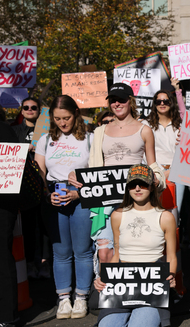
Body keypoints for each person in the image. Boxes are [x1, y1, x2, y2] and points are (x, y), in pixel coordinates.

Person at [68, 83, 165, 266]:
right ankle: (109, 292)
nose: (117, 104)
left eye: (121, 100)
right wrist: (75, 174)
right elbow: (93, 165)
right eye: (113, 100)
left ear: (130, 101)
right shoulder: (100, 131)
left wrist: (156, 178)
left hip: (135, 197)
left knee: (133, 248)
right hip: (105, 200)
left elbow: (152, 164)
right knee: (105, 252)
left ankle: (132, 292)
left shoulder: (144, 130)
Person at [92, 164, 177, 327]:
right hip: (122, 281)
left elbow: (171, 255)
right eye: (133, 184)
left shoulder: (165, 217)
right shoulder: (117, 215)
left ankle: (151, 322)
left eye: (143, 184)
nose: (137, 188)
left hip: (151, 281)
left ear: (152, 186)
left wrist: (170, 275)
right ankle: (130, 320)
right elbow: (117, 254)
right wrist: (103, 279)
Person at [35, 95, 95, 319]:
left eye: (67, 117)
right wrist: (47, 194)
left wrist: (79, 192)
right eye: (58, 118)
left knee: (82, 250)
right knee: (60, 251)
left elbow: (96, 170)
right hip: (55, 193)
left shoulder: (89, 138)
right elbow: (40, 173)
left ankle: (81, 297)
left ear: (76, 114)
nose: (62, 123)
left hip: (81, 194)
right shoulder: (44, 140)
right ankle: (63, 299)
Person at [13, 97, 50, 279]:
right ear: (21, 111)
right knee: (27, 225)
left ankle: (44, 262)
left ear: (39, 110)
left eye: (33, 107)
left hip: (44, 181)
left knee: (45, 224)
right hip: (23, 185)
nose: (29, 110)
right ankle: (28, 263)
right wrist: (23, 148)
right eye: (25, 107)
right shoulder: (14, 131)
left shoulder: (47, 130)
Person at [143, 77, 186, 214]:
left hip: (177, 174)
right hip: (155, 174)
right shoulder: (145, 125)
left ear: (171, 103)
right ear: (154, 104)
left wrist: (177, 90)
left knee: (173, 212)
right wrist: (159, 172)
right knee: (156, 213)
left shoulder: (180, 125)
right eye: (158, 101)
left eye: (166, 101)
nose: (162, 103)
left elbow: (183, 152)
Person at [0, 120, 21, 327]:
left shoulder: (2, 129)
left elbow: (11, 172)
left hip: (2, 205)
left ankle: (6, 317)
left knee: (1, 258)